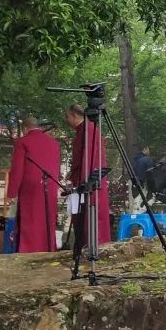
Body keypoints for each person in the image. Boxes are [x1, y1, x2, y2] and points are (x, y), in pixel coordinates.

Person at [5, 117, 60, 253]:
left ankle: (29, 250)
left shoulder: (22, 142)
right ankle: (47, 249)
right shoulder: (54, 143)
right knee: (46, 221)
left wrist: (11, 193)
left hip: (30, 189)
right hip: (50, 187)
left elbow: (17, 170)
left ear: (25, 128)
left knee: (30, 221)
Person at [64, 103, 111, 249]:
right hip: (83, 178)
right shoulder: (84, 130)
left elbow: (89, 158)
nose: (67, 121)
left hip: (89, 181)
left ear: (74, 115)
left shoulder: (88, 130)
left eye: (67, 117)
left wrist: (83, 181)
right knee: (82, 217)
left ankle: (92, 247)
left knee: (90, 218)